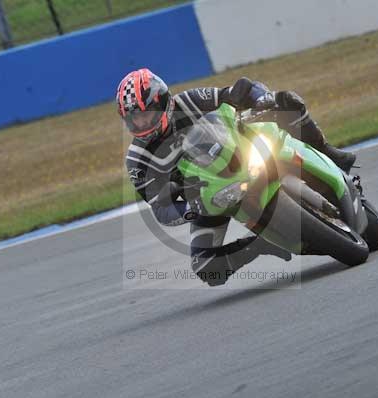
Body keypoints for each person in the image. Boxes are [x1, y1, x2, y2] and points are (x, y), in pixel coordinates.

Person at [117, 68, 356, 286]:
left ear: (163, 102)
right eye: (133, 119)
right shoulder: (138, 161)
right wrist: (191, 208)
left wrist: (259, 97)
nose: (141, 123)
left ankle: (329, 154)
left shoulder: (188, 101)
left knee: (287, 102)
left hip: (239, 154)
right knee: (206, 268)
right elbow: (160, 209)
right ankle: (260, 245)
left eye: (145, 114)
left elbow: (236, 91)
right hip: (211, 199)